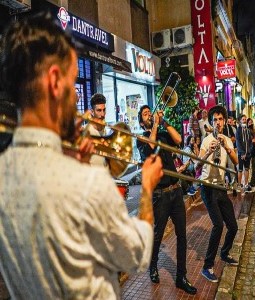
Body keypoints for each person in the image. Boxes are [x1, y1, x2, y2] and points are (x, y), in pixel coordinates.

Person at [0, 13, 163, 299]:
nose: (77, 98)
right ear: (54, 82)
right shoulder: (88, 183)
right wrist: (147, 187)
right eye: (73, 82)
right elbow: (137, 253)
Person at [137, 105, 197, 295]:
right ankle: (152, 265)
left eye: (150, 113)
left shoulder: (162, 133)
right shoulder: (141, 138)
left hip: (176, 190)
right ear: (141, 121)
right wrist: (154, 125)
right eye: (146, 114)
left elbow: (179, 139)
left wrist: (163, 121)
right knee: (158, 233)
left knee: (182, 235)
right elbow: (151, 147)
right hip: (160, 194)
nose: (150, 115)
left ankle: (181, 276)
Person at [195, 105, 238, 282]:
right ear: (211, 122)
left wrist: (227, 148)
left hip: (220, 186)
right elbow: (197, 165)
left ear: (224, 121)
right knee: (218, 225)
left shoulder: (227, 139)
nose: (218, 123)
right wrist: (210, 152)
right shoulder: (206, 141)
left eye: (220, 119)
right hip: (207, 186)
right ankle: (207, 266)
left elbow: (236, 161)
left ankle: (224, 253)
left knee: (233, 226)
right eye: (215, 120)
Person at [235, 114, 253, 193]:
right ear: (240, 121)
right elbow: (238, 142)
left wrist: (249, 151)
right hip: (241, 154)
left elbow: (250, 142)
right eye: (243, 119)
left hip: (248, 153)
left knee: (247, 168)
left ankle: (246, 184)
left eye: (245, 119)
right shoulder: (238, 131)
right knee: (240, 169)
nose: (244, 120)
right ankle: (239, 184)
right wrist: (242, 153)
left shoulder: (248, 130)